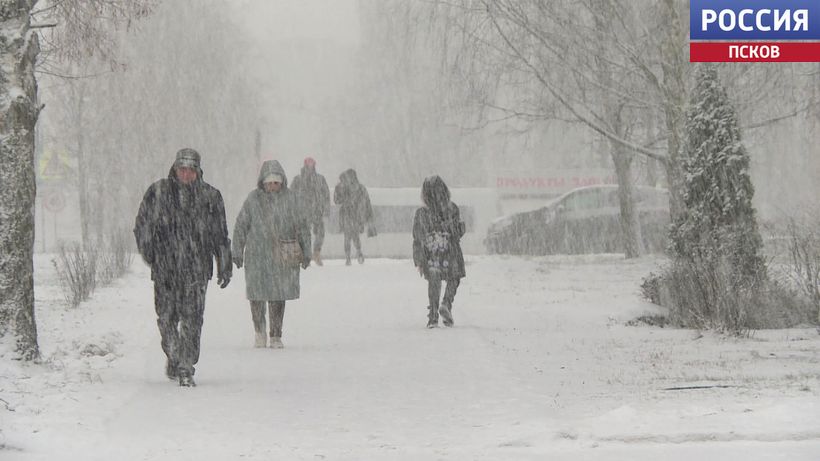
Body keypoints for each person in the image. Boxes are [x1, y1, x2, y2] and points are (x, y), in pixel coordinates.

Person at [133, 148, 232, 387]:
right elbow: (142, 225)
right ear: (175, 169)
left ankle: (186, 365)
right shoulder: (158, 193)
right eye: (182, 169)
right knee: (167, 318)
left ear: (198, 172)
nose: (186, 174)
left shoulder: (210, 197)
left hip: (197, 268)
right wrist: (151, 253)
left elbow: (220, 233)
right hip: (166, 268)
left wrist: (224, 262)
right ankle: (174, 355)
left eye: (191, 170)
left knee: (192, 319)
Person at [232, 160, 311, 349]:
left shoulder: (292, 199)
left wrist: (306, 250)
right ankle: (259, 332)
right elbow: (241, 225)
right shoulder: (253, 200)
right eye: (269, 182)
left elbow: (302, 226)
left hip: (281, 256)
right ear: (263, 182)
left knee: (278, 295)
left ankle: (276, 334)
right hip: (257, 256)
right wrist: (237, 250)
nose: (273, 186)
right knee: (257, 296)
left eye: (276, 182)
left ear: (282, 182)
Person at [412, 176, 466, 328]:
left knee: (434, 280)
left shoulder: (421, 213)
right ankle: (446, 304)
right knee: (454, 278)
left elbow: (417, 238)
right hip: (451, 251)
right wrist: (457, 228)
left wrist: (419, 260)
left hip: (431, 253)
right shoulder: (452, 209)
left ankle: (433, 315)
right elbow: (458, 232)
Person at [290, 156, 330, 266]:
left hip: (316, 211)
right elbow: (291, 196)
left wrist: (326, 208)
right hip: (303, 212)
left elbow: (326, 194)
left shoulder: (320, 179)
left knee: (319, 232)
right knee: (304, 234)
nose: (310, 168)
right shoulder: (298, 180)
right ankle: (306, 255)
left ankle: (316, 252)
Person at [333, 168, 373, 265]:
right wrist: (368, 217)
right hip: (357, 215)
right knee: (354, 235)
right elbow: (367, 203)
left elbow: (337, 200)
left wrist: (339, 189)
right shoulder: (360, 188)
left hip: (347, 214)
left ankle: (349, 257)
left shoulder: (343, 187)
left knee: (348, 236)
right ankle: (358, 252)